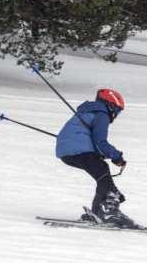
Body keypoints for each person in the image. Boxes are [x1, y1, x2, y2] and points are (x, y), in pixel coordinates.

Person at [56, 88, 134, 227]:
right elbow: (100, 142)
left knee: (101, 171)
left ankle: (99, 211)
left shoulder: (87, 112)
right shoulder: (102, 114)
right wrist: (117, 156)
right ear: (111, 106)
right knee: (102, 169)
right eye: (117, 110)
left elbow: (85, 138)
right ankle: (108, 211)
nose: (116, 114)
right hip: (78, 150)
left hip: (66, 151)